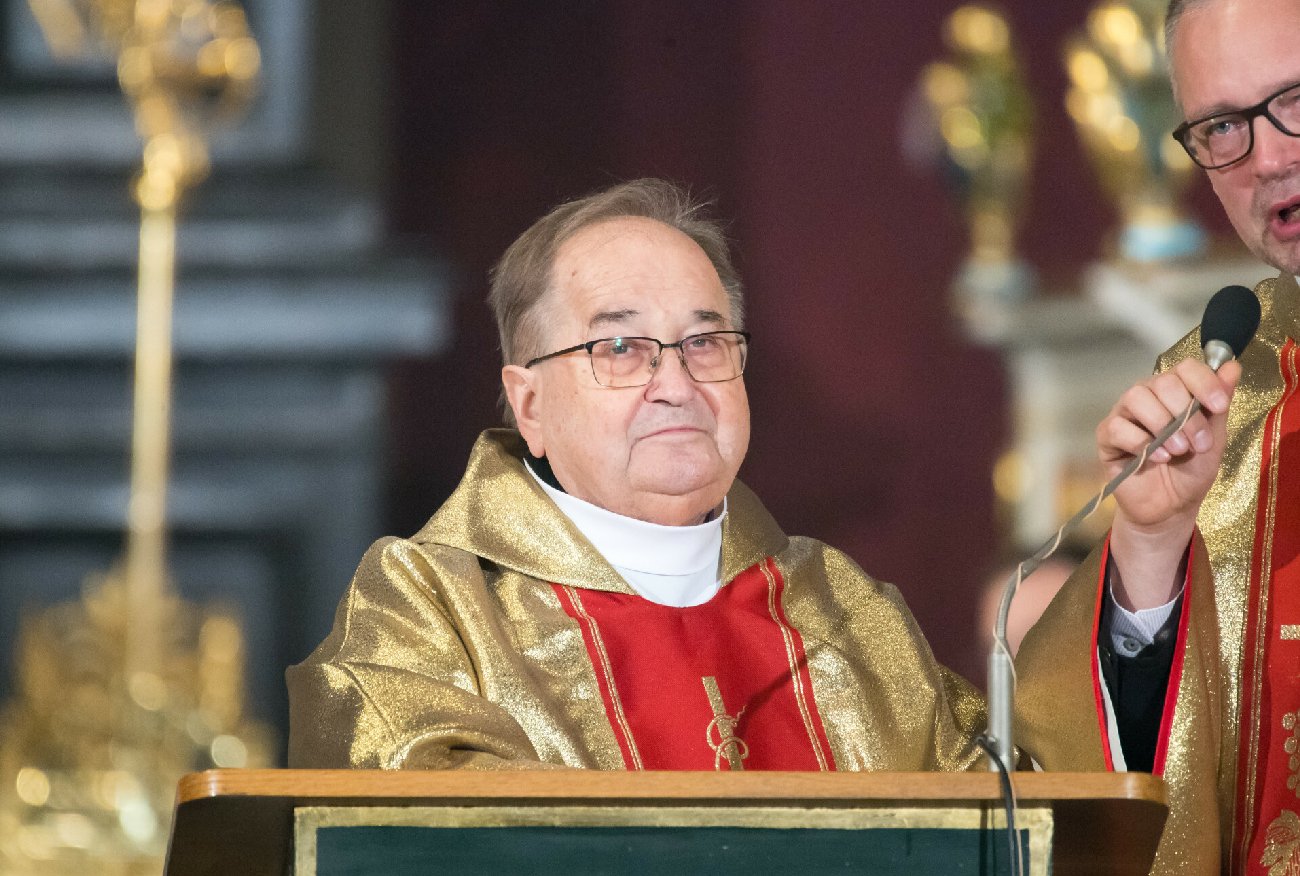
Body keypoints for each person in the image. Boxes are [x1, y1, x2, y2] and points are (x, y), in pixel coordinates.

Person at [286, 178, 986, 772]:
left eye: (705, 342)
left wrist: (1102, 575)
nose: (676, 384)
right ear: (530, 404)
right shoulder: (430, 606)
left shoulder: (843, 608)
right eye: (620, 347)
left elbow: (1017, 808)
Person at [1016, 0, 1300, 872]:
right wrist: (1148, 547)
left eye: (1296, 98)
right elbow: (1100, 785)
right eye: (1221, 127)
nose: (1270, 157)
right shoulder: (1222, 383)